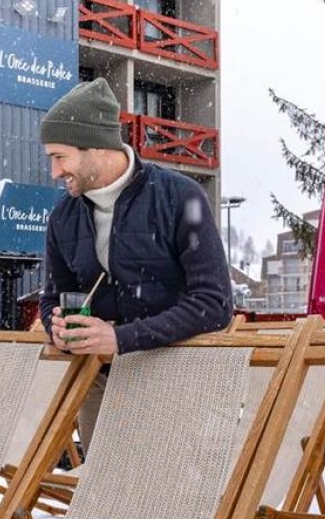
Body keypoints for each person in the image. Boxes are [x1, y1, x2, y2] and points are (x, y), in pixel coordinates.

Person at [38, 77, 234, 449]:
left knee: (172, 496)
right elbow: (53, 297)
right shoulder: (62, 217)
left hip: (176, 376)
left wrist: (121, 337)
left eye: (59, 157)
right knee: (106, 492)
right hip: (99, 380)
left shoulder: (181, 197)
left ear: (97, 146)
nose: (54, 172)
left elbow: (215, 303)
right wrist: (57, 326)